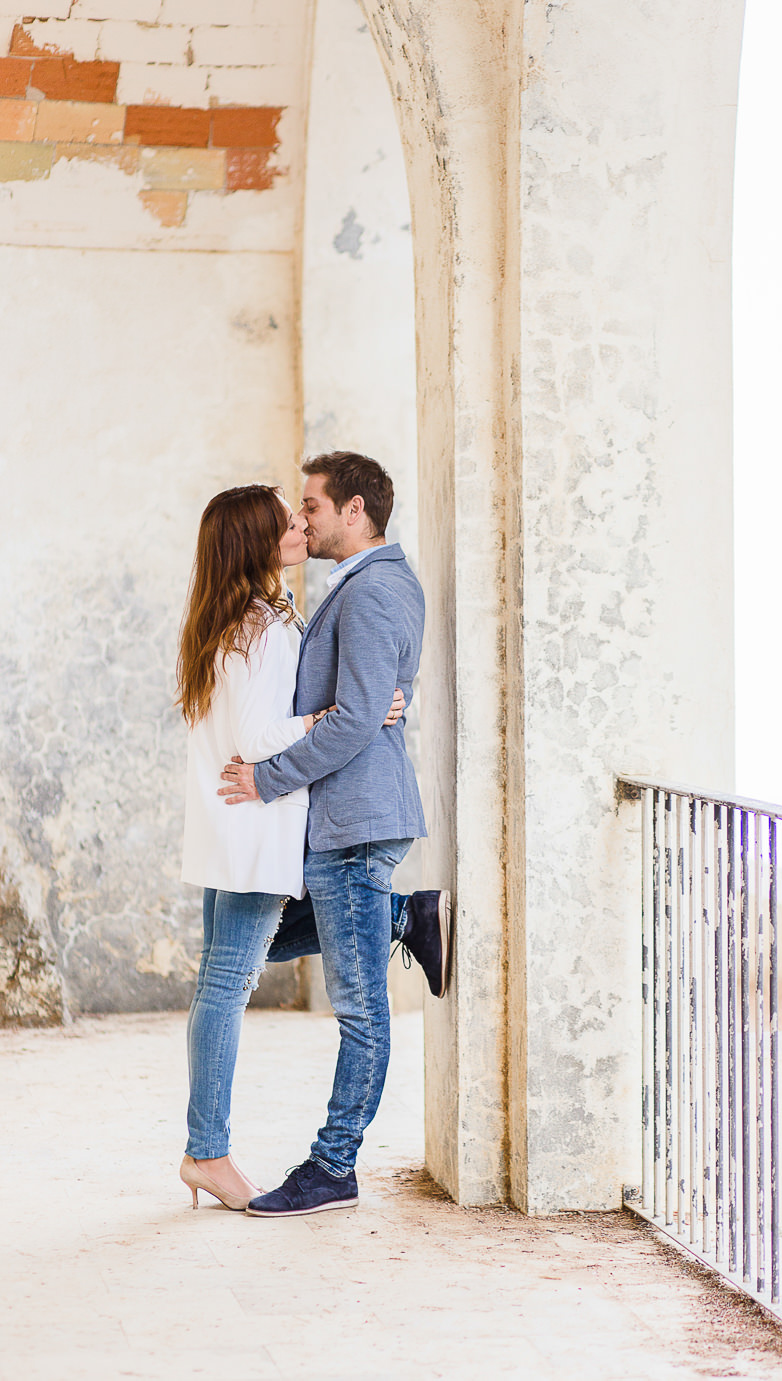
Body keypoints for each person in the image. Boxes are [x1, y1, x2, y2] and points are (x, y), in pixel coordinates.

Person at [216, 451, 448, 1218]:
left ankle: (334, 1165)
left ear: (354, 510)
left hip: (355, 823)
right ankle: (404, 916)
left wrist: (267, 777)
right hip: (341, 823)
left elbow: (353, 718)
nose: (301, 520)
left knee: (360, 1006)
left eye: (311, 505)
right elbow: (357, 704)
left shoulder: (375, 589)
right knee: (264, 942)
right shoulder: (361, 584)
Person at [175, 485, 402, 1210]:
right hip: (253, 827)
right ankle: (207, 1152)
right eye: (287, 519)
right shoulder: (263, 627)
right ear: (258, 541)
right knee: (224, 988)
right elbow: (257, 735)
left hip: (231, 827)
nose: (301, 525)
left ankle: (400, 916)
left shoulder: (230, 619)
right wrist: (341, 715)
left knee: (227, 977)